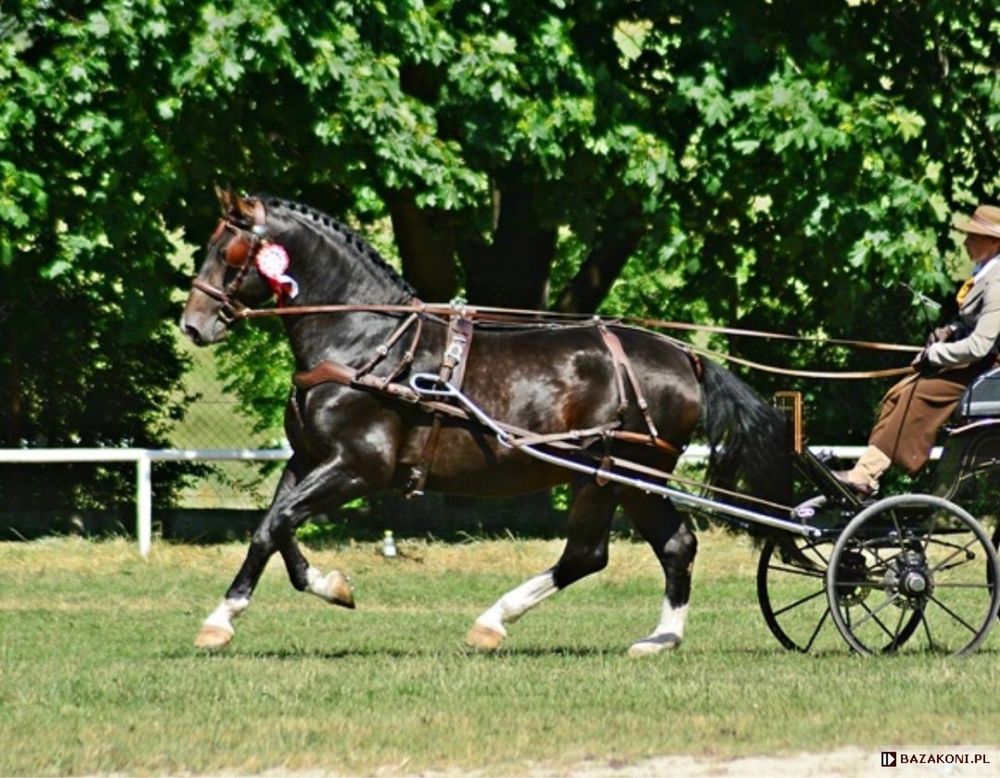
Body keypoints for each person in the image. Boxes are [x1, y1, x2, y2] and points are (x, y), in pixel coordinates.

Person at [837, 203, 1000, 497]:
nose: (965, 242)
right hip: (976, 364)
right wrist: (950, 331)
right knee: (898, 393)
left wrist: (933, 355)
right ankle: (865, 475)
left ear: (994, 241)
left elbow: (982, 344)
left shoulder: (998, 279)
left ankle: (868, 475)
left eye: (972, 236)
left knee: (918, 393)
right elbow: (971, 325)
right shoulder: (985, 273)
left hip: (987, 368)